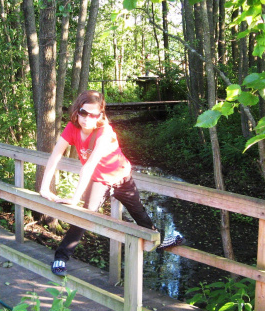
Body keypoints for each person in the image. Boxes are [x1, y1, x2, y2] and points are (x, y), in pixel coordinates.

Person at [40, 90, 183, 276]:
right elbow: (55, 156)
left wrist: (73, 198)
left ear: (100, 115)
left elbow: (89, 165)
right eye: (83, 113)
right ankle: (61, 257)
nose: (87, 119)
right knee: (84, 215)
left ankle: (161, 240)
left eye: (93, 115)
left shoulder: (104, 132)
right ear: (77, 110)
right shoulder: (72, 128)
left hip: (121, 178)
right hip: (100, 180)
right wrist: (44, 187)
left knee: (141, 217)